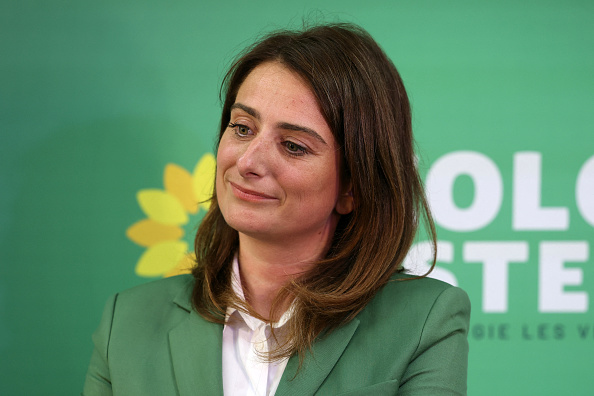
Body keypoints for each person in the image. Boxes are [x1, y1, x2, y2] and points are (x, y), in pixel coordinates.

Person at [83, 23, 470, 395]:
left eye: (293, 146)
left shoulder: (424, 320)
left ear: (352, 187)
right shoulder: (128, 322)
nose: (249, 162)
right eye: (242, 128)